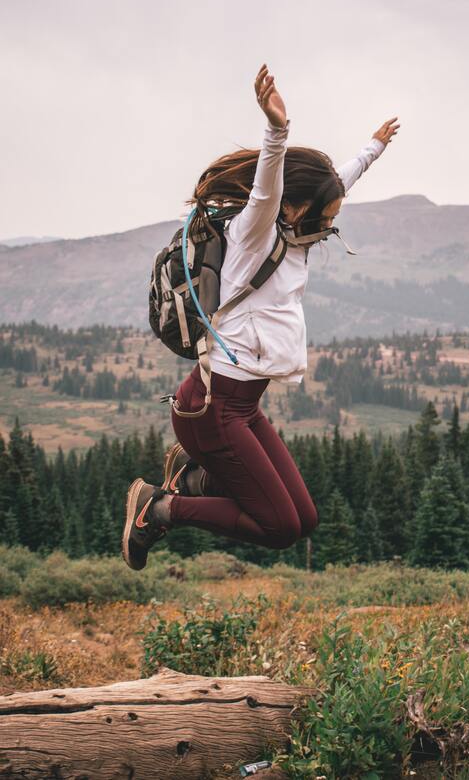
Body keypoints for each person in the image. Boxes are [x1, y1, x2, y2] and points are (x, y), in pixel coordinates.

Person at [122, 64, 399, 570]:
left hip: (242, 408)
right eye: (328, 216)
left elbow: (338, 183)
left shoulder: (299, 238)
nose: (332, 225)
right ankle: (159, 508)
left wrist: (373, 149)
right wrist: (277, 130)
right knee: (280, 528)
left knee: (305, 520)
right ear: (293, 210)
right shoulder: (257, 235)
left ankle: (194, 478)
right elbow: (269, 188)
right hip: (212, 408)